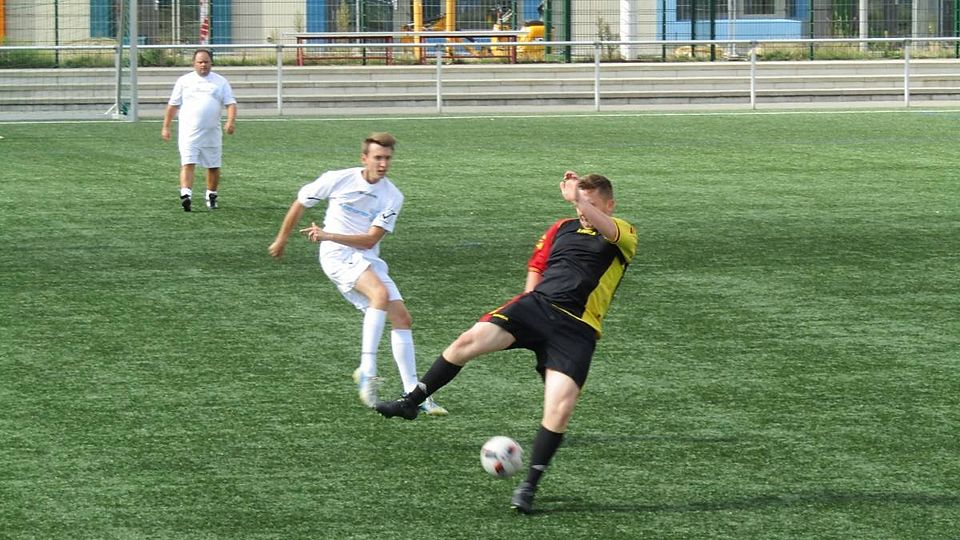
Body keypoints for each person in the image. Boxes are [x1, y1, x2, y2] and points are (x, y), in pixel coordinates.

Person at [375, 171, 637, 514]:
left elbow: (607, 229)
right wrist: (528, 303)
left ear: (609, 205)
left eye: (591, 204)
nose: (582, 211)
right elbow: (537, 264)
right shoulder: (562, 227)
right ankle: (412, 401)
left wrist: (578, 197)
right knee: (468, 341)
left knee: (560, 407)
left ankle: (529, 487)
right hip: (536, 307)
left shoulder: (624, 233)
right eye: (579, 204)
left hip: (577, 328)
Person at [268, 132, 447, 416]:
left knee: (402, 318)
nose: (383, 164)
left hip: (365, 256)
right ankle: (367, 369)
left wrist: (327, 233)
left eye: (387, 158)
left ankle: (414, 394)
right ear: (364, 158)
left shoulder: (393, 196)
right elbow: (301, 202)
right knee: (379, 294)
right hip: (336, 255)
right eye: (378, 158)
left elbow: (370, 240)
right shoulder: (338, 179)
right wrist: (282, 239)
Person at [161, 48, 237, 212]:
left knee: (213, 165)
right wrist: (166, 126)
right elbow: (173, 105)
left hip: (212, 132)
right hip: (189, 132)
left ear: (211, 63)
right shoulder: (184, 81)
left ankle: (211, 195)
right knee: (188, 163)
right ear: (194, 63)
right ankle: (186, 195)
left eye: (206, 62)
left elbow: (230, 103)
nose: (203, 65)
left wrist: (230, 122)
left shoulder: (220, 82)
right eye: (200, 62)